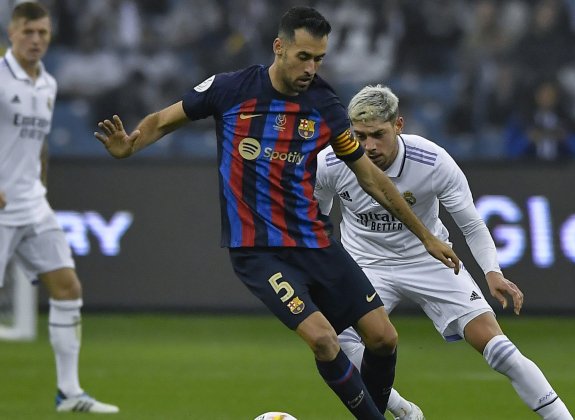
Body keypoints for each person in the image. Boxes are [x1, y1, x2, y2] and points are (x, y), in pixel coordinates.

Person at [93, 6, 460, 419]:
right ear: (279, 47)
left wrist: (426, 236)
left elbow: (370, 178)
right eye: (304, 56)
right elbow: (163, 120)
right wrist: (130, 145)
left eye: (319, 58)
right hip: (258, 250)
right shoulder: (231, 89)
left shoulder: (324, 102)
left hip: (315, 241)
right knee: (324, 340)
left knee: (383, 338)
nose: (311, 67)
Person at [315, 84, 574, 420]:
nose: (368, 146)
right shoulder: (331, 161)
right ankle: (404, 411)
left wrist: (492, 272)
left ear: (399, 125)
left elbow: (472, 224)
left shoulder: (432, 161)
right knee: (332, 341)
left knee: (498, 348)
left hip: (430, 260)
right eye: (360, 136)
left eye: (377, 134)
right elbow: (317, 221)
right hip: (365, 264)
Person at [0, 2, 118, 414]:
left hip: (32, 204)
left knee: (68, 287)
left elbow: (42, 145)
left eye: (43, 34)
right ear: (11, 33)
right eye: (28, 32)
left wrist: (41, 188)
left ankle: (69, 392)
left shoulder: (47, 84)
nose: (36, 40)